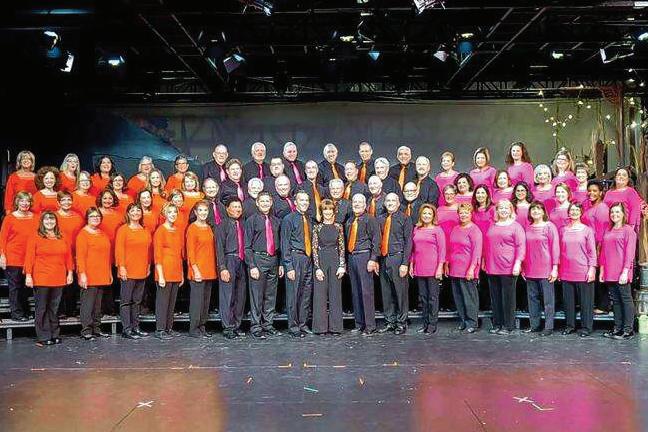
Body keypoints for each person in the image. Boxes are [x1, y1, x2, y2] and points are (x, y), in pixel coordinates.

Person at [24, 211, 74, 346]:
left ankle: (54, 334)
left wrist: (70, 272)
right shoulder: (35, 236)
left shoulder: (62, 236)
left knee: (54, 308)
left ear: (56, 222)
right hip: (41, 277)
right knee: (42, 308)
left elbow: (68, 256)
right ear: (42, 222)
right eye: (46, 220)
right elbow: (29, 257)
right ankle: (43, 335)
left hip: (59, 276)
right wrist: (28, 275)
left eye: (52, 219)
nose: (49, 222)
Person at [484, 200, 526, 335]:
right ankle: (497, 324)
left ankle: (508, 326)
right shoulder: (493, 225)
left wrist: (518, 263)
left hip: (508, 267)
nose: (503, 210)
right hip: (492, 266)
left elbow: (521, 246)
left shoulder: (516, 227)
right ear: (497, 210)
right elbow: (487, 244)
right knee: (495, 298)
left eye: (506, 208)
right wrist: (485, 260)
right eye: (500, 208)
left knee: (508, 298)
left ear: (511, 210)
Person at [245, 191, 282, 339]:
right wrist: (252, 265)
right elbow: (247, 246)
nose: (265, 204)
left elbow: (280, 244)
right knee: (257, 295)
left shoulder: (276, 221)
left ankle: (268, 324)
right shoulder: (251, 220)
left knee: (270, 295)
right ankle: (256, 326)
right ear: (257, 203)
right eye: (262, 201)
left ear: (271, 203)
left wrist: (280, 264)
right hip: (258, 259)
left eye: (268, 201)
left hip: (273, 259)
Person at [560, 202, 597, 337]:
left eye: (577, 210)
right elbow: (560, 250)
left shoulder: (587, 230)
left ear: (581, 212)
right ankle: (570, 326)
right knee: (568, 302)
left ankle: (586, 327)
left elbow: (592, 252)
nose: (574, 212)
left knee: (586, 302)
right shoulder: (563, 230)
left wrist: (592, 269)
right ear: (568, 212)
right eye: (572, 210)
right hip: (566, 270)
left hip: (583, 270)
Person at [115, 203, 152, 340]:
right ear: (128, 213)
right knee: (126, 301)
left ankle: (136, 327)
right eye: (133, 210)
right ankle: (127, 329)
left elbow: (149, 250)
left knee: (137, 301)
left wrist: (148, 265)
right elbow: (119, 249)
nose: (136, 212)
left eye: (138, 210)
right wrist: (121, 267)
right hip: (128, 270)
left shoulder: (145, 230)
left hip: (141, 269)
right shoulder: (123, 230)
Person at [346, 193, 381, 336]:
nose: (356, 204)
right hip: (352, 257)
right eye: (354, 202)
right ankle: (359, 324)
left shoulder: (370, 219)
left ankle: (370, 326)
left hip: (364, 256)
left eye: (359, 202)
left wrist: (373, 259)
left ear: (365, 204)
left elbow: (376, 240)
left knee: (366, 292)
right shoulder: (349, 220)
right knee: (355, 292)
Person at [600, 203, 637, 340]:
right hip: (609, 270)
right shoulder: (608, 230)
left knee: (625, 299)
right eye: (612, 212)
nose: (614, 214)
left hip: (622, 271)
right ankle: (617, 328)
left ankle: (628, 330)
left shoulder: (628, 230)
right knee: (615, 301)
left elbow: (630, 253)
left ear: (623, 214)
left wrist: (625, 271)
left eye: (617, 212)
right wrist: (602, 270)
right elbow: (603, 252)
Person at [377, 193, 412, 335]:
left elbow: (408, 242)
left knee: (400, 292)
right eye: (388, 201)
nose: (390, 203)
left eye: (393, 200)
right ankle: (390, 322)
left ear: (398, 203)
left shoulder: (405, 219)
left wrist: (405, 263)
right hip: (384, 259)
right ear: (384, 203)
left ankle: (401, 322)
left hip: (398, 258)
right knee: (386, 292)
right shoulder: (380, 219)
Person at [281, 191, 314, 337]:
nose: (304, 203)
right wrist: (288, 266)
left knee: (305, 293)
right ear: (295, 202)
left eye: (306, 200)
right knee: (293, 295)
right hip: (295, 258)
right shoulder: (288, 219)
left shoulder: (310, 219)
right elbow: (285, 243)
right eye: (301, 200)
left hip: (308, 259)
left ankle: (303, 324)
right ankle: (294, 327)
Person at [76, 207, 112, 341]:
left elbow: (107, 255)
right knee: (88, 304)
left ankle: (96, 329)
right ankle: (86, 330)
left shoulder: (102, 233)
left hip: (101, 273)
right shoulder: (83, 235)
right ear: (87, 218)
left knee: (97, 305)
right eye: (92, 216)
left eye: (97, 216)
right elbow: (80, 257)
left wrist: (109, 272)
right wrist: (82, 274)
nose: (95, 218)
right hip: (89, 274)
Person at [523, 202, 559, 336]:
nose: (535, 211)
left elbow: (555, 247)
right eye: (533, 209)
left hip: (546, 268)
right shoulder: (527, 228)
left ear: (543, 212)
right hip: (530, 267)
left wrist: (555, 268)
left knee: (548, 300)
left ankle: (548, 327)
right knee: (532, 299)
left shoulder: (550, 227)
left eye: (538, 209)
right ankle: (535, 325)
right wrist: (523, 267)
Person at [410, 204, 446, 334]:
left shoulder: (438, 230)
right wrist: (411, 264)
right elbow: (413, 250)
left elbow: (442, 250)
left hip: (433, 268)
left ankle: (432, 324)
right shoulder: (416, 229)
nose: (426, 216)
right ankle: (425, 323)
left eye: (429, 214)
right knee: (423, 298)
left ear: (433, 216)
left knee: (433, 298)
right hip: (420, 268)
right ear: (421, 215)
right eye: (424, 213)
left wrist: (440, 267)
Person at [0, 191, 36, 320]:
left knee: (26, 287)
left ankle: (25, 311)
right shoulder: (10, 218)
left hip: (30, 258)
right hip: (13, 257)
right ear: (17, 202)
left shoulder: (36, 217)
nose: (25, 203)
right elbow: (2, 238)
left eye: (27, 201)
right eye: (22, 201)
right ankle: (16, 314)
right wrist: (2, 255)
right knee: (15, 287)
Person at [312, 199, 346, 335]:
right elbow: (314, 248)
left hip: (335, 260)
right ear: (321, 211)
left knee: (335, 294)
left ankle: (336, 327)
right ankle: (320, 328)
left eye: (330, 209)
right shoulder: (317, 227)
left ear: (333, 211)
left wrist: (342, 265)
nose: (327, 212)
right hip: (321, 260)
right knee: (319, 295)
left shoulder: (339, 227)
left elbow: (342, 247)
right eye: (325, 209)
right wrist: (317, 268)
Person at [447, 203, 483, 333]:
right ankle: (463, 321)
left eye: (466, 212)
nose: (463, 215)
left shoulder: (475, 230)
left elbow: (477, 252)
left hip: (467, 269)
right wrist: (447, 264)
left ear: (471, 214)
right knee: (459, 297)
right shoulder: (455, 228)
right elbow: (451, 248)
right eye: (461, 212)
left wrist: (472, 269)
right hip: (455, 268)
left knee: (469, 298)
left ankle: (472, 322)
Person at [216, 198, 247, 339]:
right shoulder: (222, 225)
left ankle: (236, 325)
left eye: (239, 207)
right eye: (234, 207)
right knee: (227, 295)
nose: (237, 209)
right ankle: (228, 327)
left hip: (242, 261)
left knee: (240, 296)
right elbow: (219, 248)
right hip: (229, 260)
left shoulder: (244, 224)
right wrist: (222, 267)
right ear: (227, 209)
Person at [153, 203, 185, 340]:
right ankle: (160, 329)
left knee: (171, 302)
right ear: (164, 214)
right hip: (164, 271)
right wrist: (160, 275)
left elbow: (179, 254)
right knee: (163, 302)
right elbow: (157, 255)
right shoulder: (160, 231)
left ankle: (168, 328)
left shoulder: (178, 230)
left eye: (174, 212)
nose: (172, 214)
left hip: (176, 270)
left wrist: (181, 274)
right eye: (170, 212)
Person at [186, 201, 217, 338]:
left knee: (205, 301)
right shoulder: (192, 228)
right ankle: (194, 328)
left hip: (209, 269)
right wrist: (195, 269)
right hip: (198, 270)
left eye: (205, 210)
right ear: (195, 212)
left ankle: (202, 327)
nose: (203, 213)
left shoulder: (209, 227)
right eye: (200, 210)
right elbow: (190, 251)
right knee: (197, 302)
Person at [582, 180, 610, 314]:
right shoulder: (590, 206)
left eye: (595, 191)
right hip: (589, 246)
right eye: (589, 190)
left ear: (601, 193)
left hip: (598, 246)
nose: (591, 193)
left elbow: (603, 231)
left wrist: (599, 249)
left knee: (599, 275)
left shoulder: (602, 208)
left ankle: (603, 306)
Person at [56, 191, 84, 317]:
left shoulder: (78, 217)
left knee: (72, 284)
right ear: (58, 202)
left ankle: (71, 309)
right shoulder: (54, 217)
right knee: (60, 283)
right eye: (63, 200)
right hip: (59, 254)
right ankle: (60, 310)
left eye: (69, 200)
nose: (66, 202)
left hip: (74, 253)